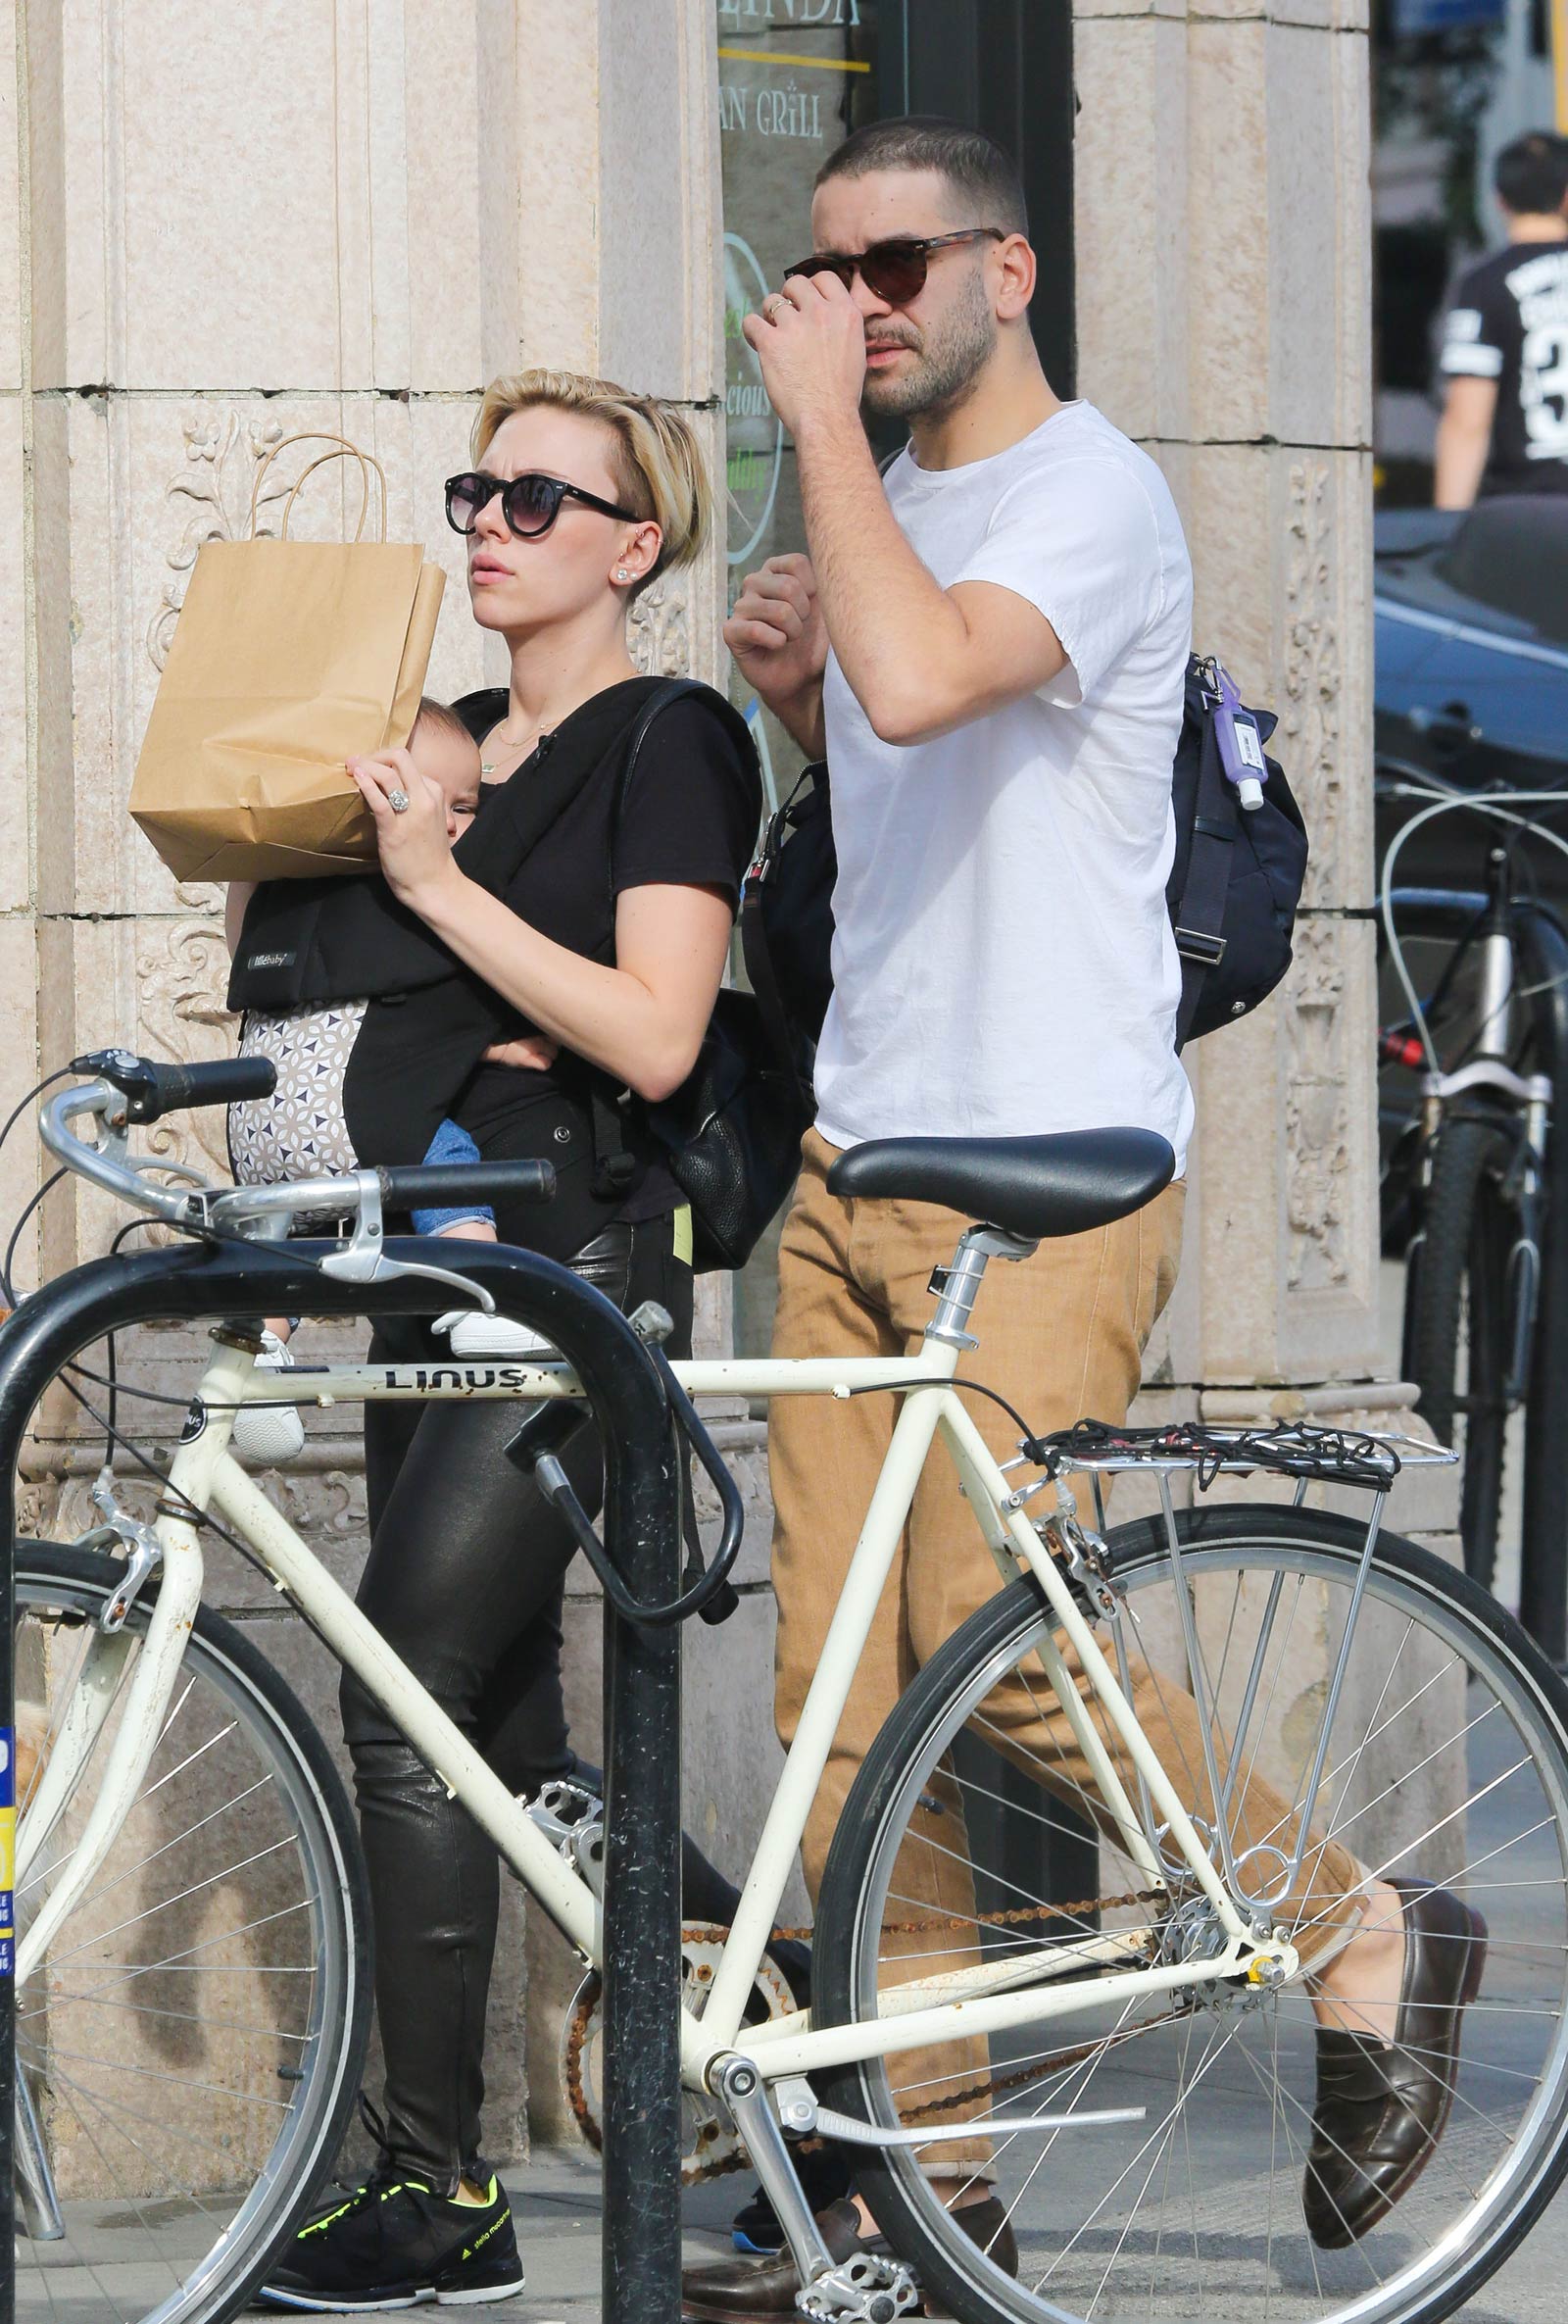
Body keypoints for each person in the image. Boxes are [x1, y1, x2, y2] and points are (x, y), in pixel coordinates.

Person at [680, 118, 1487, 2320]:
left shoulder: (1090, 493)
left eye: (894, 266)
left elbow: (940, 675)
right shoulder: (903, 506)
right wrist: (789, 699)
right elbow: (917, 777)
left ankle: (1349, 1926)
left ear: (1005, 271)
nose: (855, 304)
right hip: (860, 1154)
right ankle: (919, 2193)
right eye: (827, 272)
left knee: (997, 1648)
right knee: (847, 1724)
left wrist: (822, 469)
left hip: (1043, 1167)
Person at [255, 368, 763, 2312]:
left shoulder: (670, 739)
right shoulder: (448, 742)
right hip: (430, 1267)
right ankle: (806, 2012)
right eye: (478, 489)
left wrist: (439, 887)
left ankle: (436, 2190)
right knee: (511, 1737)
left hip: (569, 1276)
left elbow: (649, 1035)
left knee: (397, 1696)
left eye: (541, 500)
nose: (491, 523)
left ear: (636, 544)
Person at [225, 699, 553, 1463]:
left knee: (280, 1242)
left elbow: (247, 956)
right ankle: (480, 1294)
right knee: (447, 1162)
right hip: (367, 1123)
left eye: (469, 806)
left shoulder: (301, 900)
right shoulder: (415, 899)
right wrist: (504, 1045)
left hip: (264, 1135)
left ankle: (256, 1357)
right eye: (447, 804)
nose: (455, 825)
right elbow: (445, 1015)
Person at [1435, 130, 1568, 509]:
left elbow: (1467, 420)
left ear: (1500, 200)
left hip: (1524, 515)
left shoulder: (1484, 285)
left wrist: (1447, 530)